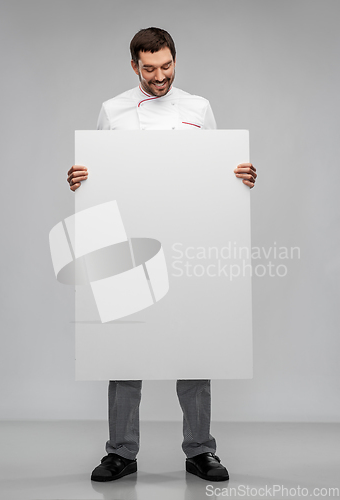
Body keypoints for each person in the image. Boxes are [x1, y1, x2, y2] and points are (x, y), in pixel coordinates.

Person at [67, 27, 257, 483]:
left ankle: (200, 452)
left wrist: (240, 176)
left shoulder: (198, 108)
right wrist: (79, 178)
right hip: (132, 242)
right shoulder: (112, 110)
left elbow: (216, 169)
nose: (160, 77)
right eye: (149, 69)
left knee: (194, 348)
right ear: (134, 66)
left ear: (175, 60)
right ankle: (121, 453)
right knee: (124, 349)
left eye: (167, 66)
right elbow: (97, 174)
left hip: (188, 238)